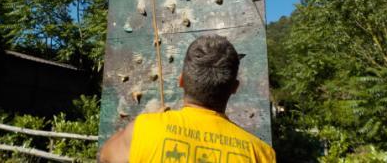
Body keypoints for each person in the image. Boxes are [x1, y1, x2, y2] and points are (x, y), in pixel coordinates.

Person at [98, 35, 276, 162]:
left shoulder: (143, 129)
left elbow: (105, 156)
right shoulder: (261, 154)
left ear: (181, 81)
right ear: (234, 88)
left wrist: (152, 120)